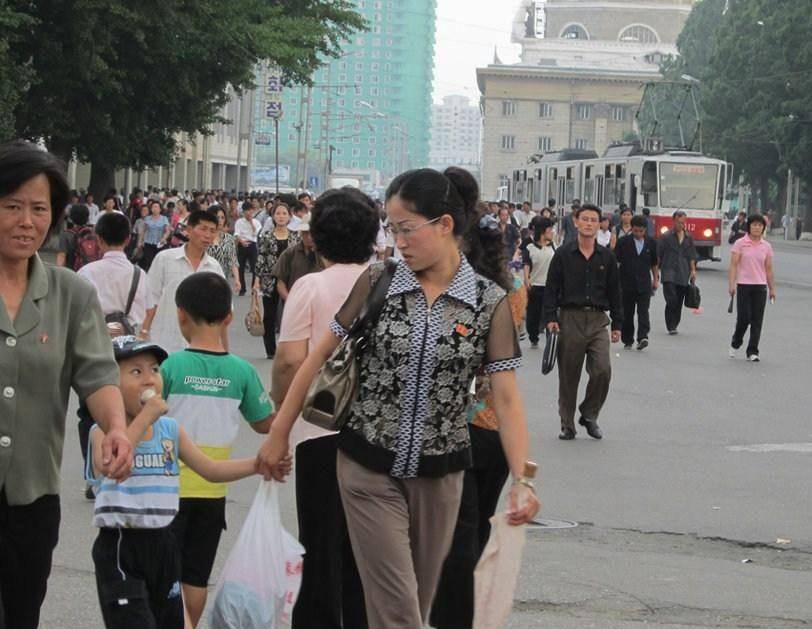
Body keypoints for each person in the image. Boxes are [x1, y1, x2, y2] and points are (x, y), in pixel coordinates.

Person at [256, 167, 539, 629]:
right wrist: (279, 433)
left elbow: (507, 400)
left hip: (441, 475)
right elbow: (315, 359)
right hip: (367, 465)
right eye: (392, 229)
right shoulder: (378, 282)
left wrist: (523, 479)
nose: (398, 241)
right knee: (398, 614)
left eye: (407, 229)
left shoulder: (488, 302)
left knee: (413, 604)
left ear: (444, 225)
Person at [0, 139, 133, 629]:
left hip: (32, 497)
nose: (26, 221)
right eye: (12, 206)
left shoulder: (71, 293)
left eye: (39, 208)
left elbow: (97, 373)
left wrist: (116, 427)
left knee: (21, 612)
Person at [87, 335, 271, 629]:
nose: (149, 380)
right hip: (122, 545)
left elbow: (210, 469)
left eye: (155, 370)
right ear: (110, 386)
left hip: (164, 542)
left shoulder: (170, 429)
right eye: (136, 372)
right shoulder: (103, 431)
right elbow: (111, 465)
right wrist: (145, 418)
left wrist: (258, 465)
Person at [272, 187, 379, 629]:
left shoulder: (309, 287)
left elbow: (291, 360)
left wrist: (283, 416)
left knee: (319, 545)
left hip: (318, 432)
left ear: (316, 236)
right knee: (367, 551)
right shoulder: (388, 282)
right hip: (375, 436)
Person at [162, 273, 276, 628]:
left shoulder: (168, 367)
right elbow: (264, 423)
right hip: (213, 493)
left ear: (181, 315)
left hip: (167, 492)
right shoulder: (241, 372)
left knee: (165, 579)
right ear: (229, 316)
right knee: (196, 577)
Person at [544, 203, 623, 441]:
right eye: (585, 219)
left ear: (600, 225)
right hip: (570, 318)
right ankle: (567, 424)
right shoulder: (563, 255)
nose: (589, 223)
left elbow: (615, 291)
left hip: (599, 320)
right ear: (576, 222)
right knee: (569, 375)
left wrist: (618, 324)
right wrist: (550, 318)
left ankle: (589, 414)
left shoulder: (607, 257)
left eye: (594, 220)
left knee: (602, 370)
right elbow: (551, 288)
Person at [140, 210, 225, 354]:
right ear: (189, 230)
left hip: (200, 348)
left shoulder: (214, 267)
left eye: (212, 231)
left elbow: (223, 311)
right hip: (164, 342)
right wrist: (143, 332)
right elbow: (150, 300)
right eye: (203, 229)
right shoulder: (165, 259)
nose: (208, 235)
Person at [254, 203, 300, 359]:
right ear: (273, 216)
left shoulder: (296, 236)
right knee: (270, 315)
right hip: (270, 279)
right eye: (278, 213)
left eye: (284, 213)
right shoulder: (266, 236)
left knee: (291, 314)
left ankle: (288, 347)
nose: (281, 216)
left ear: (289, 216)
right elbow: (260, 259)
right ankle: (271, 350)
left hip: (290, 280)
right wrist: (256, 281)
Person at [728, 214, 775, 362]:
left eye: (760, 225)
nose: (757, 228)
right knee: (744, 318)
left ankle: (753, 351)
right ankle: (736, 342)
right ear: (749, 226)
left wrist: (772, 288)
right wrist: (732, 284)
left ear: (763, 228)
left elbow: (768, 268)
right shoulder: (741, 243)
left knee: (757, 320)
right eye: (754, 225)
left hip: (760, 286)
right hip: (743, 285)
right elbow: (734, 265)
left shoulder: (766, 246)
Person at [614, 215, 659, 350]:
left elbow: (654, 263)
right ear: (631, 229)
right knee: (628, 313)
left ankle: (643, 336)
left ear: (645, 230)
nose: (638, 234)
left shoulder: (651, 243)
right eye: (635, 231)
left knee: (643, 311)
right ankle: (628, 339)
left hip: (644, 284)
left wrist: (655, 279)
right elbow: (616, 262)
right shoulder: (623, 242)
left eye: (641, 231)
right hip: (626, 283)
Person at [657, 210, 697, 335]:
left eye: (683, 222)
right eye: (679, 222)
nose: (682, 225)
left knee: (679, 300)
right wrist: (656, 271)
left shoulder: (688, 238)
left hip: (683, 272)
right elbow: (659, 255)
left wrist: (693, 270)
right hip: (668, 270)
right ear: (673, 220)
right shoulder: (666, 236)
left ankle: (674, 324)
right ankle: (670, 324)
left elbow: (691, 256)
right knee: (671, 298)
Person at [523, 216, 556, 349]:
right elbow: (526, 265)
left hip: (550, 286)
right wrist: (526, 280)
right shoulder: (530, 247)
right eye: (550, 229)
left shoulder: (553, 246)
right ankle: (533, 337)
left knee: (550, 313)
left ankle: (550, 337)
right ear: (543, 231)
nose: (552, 232)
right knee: (533, 314)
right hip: (535, 286)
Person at [272, 218, 323, 302]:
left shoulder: (324, 254)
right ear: (301, 233)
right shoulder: (289, 253)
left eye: (312, 233)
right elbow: (280, 283)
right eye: (306, 233)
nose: (309, 237)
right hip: (293, 301)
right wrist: (290, 301)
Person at [205, 206, 241, 293]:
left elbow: (233, 260)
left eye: (222, 217)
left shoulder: (229, 239)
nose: (220, 220)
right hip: (204, 280)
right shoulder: (204, 237)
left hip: (223, 281)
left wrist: (237, 279)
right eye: (217, 217)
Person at [234, 202, 261, 296]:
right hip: (242, 244)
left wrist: (251, 222)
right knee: (240, 267)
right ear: (243, 212)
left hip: (252, 244)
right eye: (246, 211)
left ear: (253, 211)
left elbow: (256, 233)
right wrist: (241, 241)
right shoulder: (239, 221)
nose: (248, 213)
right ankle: (242, 289)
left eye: (250, 210)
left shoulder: (256, 222)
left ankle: (254, 287)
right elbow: (236, 234)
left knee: (254, 268)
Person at [139, 200, 171, 271]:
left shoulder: (164, 218)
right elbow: (143, 231)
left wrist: (164, 238)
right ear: (151, 209)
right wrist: (140, 241)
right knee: (149, 262)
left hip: (160, 244)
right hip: (148, 243)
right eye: (153, 207)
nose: (155, 208)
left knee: (159, 262)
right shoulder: (147, 218)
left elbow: (167, 231)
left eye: (156, 207)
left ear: (160, 209)